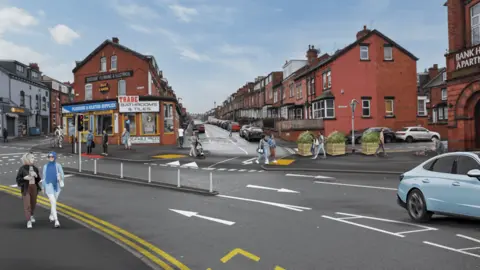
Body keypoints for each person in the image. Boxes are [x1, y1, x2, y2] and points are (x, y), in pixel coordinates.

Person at [16, 152, 41, 229]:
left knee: (33, 203)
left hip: (34, 187)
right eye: (32, 158)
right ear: (27, 159)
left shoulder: (35, 168)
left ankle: (31, 215)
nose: (34, 159)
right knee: (27, 205)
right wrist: (24, 178)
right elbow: (18, 180)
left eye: (33, 158)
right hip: (26, 188)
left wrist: (36, 176)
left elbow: (38, 179)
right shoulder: (22, 169)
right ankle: (28, 220)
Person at [42, 152, 64, 228]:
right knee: (53, 202)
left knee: (54, 203)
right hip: (48, 185)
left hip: (57, 186)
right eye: (49, 157)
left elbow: (62, 175)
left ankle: (51, 215)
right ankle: (56, 220)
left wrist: (60, 177)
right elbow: (44, 177)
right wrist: (43, 187)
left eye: (52, 157)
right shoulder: (45, 166)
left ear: (55, 157)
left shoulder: (58, 166)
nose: (51, 158)